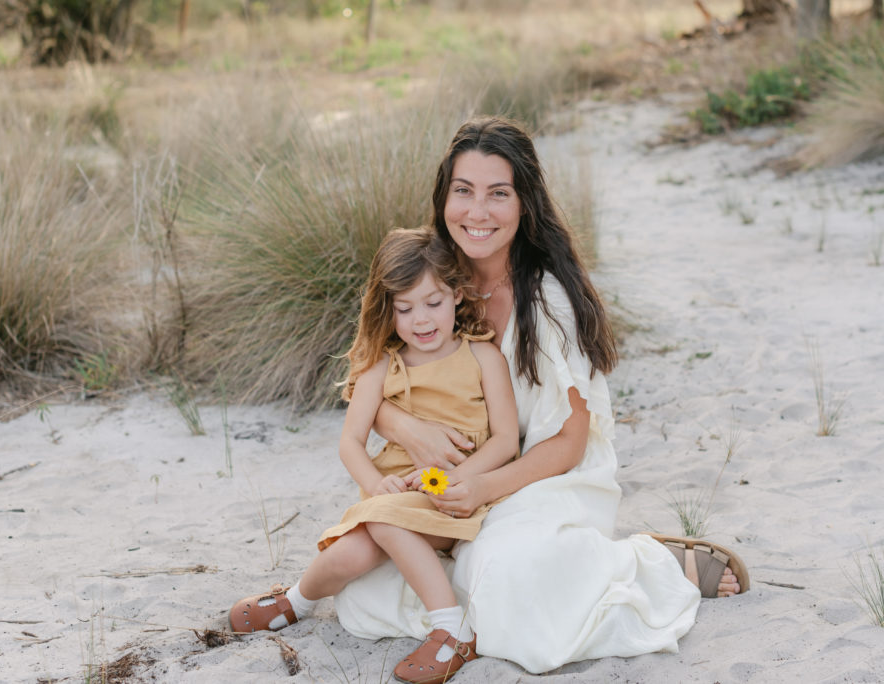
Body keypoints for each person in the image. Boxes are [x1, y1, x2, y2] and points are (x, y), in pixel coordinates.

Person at [329, 116, 750, 676]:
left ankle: (646, 561)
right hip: (450, 480)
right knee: (363, 595)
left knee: (509, 592)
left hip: (540, 475)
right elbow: (368, 375)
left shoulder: (549, 300)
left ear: (524, 203)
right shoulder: (432, 280)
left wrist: (480, 486)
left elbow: (570, 444)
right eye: (464, 191)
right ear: (444, 196)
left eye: (498, 194)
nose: (477, 213)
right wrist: (407, 429)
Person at [229, 228, 520, 684]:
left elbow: (506, 441)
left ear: (457, 296)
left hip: (452, 494)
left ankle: (451, 629)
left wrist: (453, 478)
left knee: (385, 522)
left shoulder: (482, 357)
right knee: (349, 555)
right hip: (392, 493)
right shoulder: (383, 365)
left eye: (433, 303)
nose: (421, 320)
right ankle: (297, 602)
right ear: (388, 309)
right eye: (404, 309)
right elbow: (350, 442)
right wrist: (377, 482)